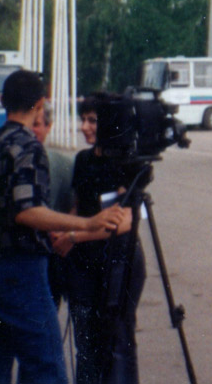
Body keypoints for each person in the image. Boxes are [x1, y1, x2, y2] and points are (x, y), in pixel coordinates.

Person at [0, 69, 125, 384]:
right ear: (39, 103)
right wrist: (87, 222)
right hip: (21, 272)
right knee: (47, 369)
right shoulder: (27, 146)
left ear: (2, 100)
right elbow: (27, 210)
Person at [54, 93, 146, 384]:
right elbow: (78, 206)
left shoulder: (126, 163)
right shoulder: (82, 160)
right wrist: (62, 229)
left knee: (117, 342)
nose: (84, 127)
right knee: (85, 345)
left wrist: (73, 236)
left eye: (92, 120)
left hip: (119, 263)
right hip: (83, 266)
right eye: (82, 119)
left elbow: (125, 222)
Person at [29, 106, 74, 307]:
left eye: (37, 124)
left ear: (49, 127)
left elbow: (75, 206)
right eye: (28, 123)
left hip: (48, 265)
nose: (31, 130)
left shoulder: (64, 164)